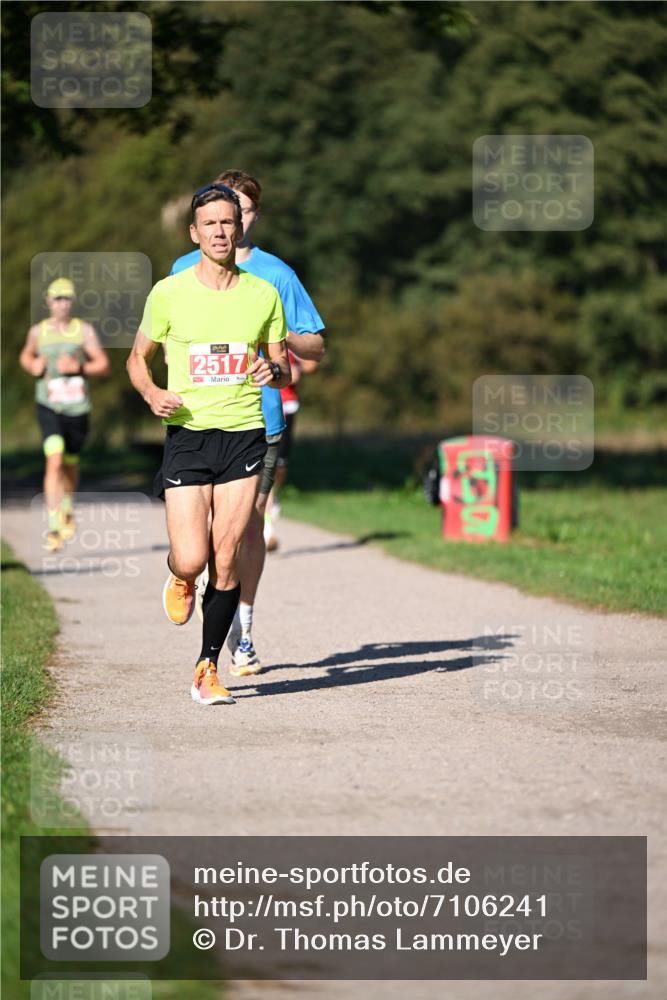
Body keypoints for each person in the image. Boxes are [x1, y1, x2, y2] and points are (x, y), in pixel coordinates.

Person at [127, 183, 291, 706]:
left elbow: (283, 363)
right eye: (210, 224)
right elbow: (137, 358)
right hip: (188, 436)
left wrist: (273, 370)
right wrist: (152, 393)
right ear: (194, 233)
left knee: (227, 556)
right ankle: (179, 576)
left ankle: (207, 669)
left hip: (244, 434)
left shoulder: (263, 294)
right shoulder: (168, 292)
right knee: (193, 556)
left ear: (239, 229)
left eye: (228, 222)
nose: (220, 231)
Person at [169, 169, 325, 677]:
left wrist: (269, 330)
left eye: (243, 212)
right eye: (220, 213)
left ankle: (243, 631)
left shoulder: (276, 275)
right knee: (200, 543)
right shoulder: (182, 270)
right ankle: (189, 573)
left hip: (261, 420)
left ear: (250, 217)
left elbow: (315, 347)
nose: (230, 223)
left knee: (244, 532)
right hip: (197, 421)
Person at [19, 278, 110, 552]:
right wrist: (32, 365)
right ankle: (53, 527)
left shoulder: (84, 331)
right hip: (49, 406)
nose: (62, 304)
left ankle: (67, 506)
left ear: (72, 302)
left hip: (77, 409)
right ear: (48, 301)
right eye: (57, 298)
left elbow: (103, 364)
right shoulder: (38, 332)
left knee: (69, 463)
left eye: (66, 298)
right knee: (55, 459)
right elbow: (25, 356)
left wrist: (79, 368)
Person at [263, 347, 319, 552]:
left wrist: (294, 369)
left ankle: (273, 495)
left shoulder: (289, 336)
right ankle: (267, 529)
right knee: (266, 467)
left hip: (287, 405)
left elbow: (312, 363)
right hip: (259, 407)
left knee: (280, 466)